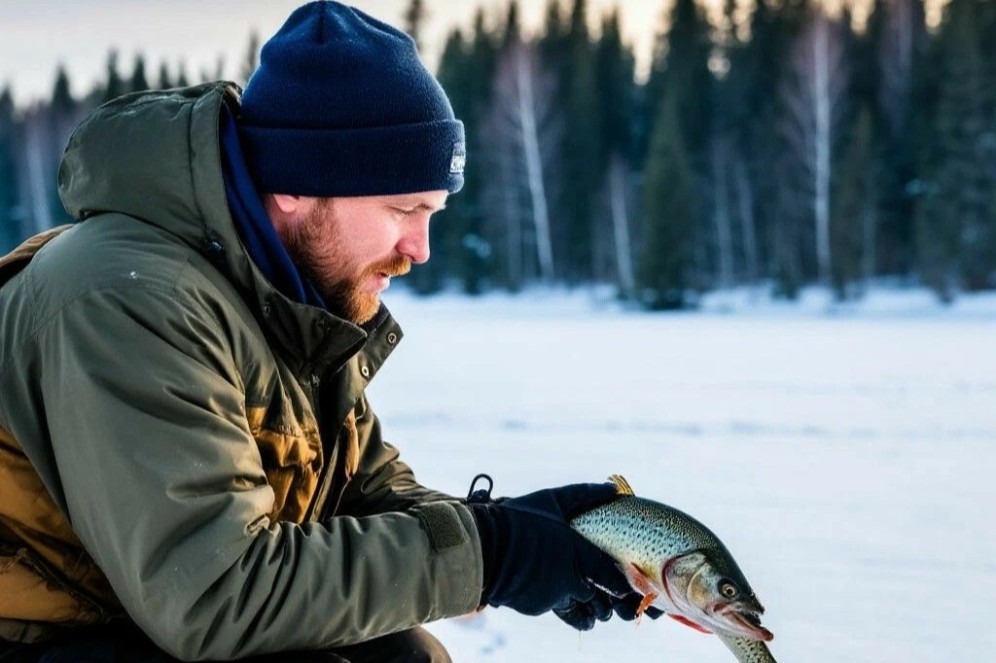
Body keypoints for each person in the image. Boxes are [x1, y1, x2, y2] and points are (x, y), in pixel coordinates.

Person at [0, 2, 652, 661]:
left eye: (433, 211)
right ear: (296, 183)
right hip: (40, 635)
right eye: (404, 208)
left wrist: (525, 531)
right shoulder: (129, 295)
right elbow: (215, 595)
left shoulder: (286, 298)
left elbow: (366, 498)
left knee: (403, 655)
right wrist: (494, 553)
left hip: (131, 616)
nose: (421, 247)